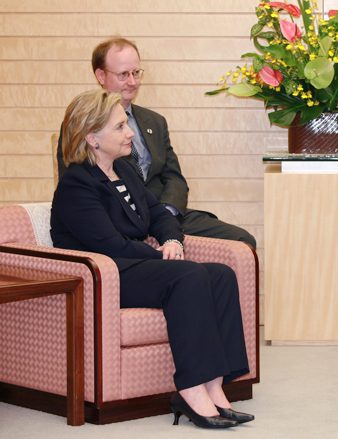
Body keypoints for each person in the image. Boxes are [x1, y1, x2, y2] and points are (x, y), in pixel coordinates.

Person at [51, 89, 255, 429]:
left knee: (220, 274)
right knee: (187, 276)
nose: (130, 132)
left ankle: (216, 387)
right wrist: (161, 255)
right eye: (119, 127)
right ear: (92, 138)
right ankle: (190, 389)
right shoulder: (77, 184)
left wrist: (172, 239)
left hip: (134, 265)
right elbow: (110, 245)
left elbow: (159, 213)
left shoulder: (124, 171)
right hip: (106, 274)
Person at [56, 37, 256, 248]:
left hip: (167, 214)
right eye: (123, 74)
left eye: (136, 73)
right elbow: (76, 184)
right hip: (122, 220)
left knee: (243, 241)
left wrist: (165, 213)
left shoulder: (155, 121)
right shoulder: (82, 125)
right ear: (100, 75)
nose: (132, 82)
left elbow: (174, 177)